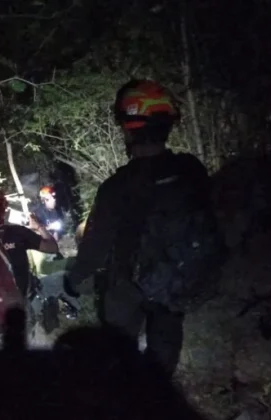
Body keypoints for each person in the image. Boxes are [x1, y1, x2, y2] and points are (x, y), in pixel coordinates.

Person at [66, 79, 227, 376]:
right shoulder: (191, 170)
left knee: (117, 348)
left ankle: (124, 397)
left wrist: (75, 279)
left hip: (128, 286)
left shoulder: (117, 187)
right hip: (174, 277)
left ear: (128, 128)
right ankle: (157, 392)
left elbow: (95, 247)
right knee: (165, 343)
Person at [0, 184, 64, 336]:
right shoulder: (14, 232)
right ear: (1, 208)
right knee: (61, 279)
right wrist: (39, 227)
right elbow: (52, 247)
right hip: (21, 307)